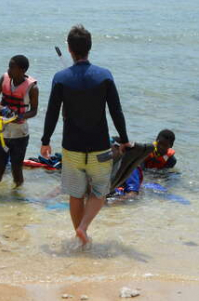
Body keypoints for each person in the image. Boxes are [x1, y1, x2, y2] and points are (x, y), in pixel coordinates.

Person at [40, 25, 131, 246]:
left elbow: (52, 112)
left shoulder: (61, 78)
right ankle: (84, 227)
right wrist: (124, 138)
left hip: (72, 147)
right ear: (89, 48)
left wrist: (45, 141)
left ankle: (80, 237)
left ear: (69, 49)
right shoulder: (105, 76)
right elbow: (115, 111)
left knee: (76, 194)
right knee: (100, 191)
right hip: (99, 146)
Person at [0, 55, 39, 188]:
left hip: (20, 134)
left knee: (17, 170)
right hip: (1, 133)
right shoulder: (4, 78)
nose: (8, 69)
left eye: (12, 67)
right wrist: (2, 109)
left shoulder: (32, 88)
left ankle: (18, 195)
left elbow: (34, 111)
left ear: (22, 70)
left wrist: (20, 116)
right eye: (8, 66)